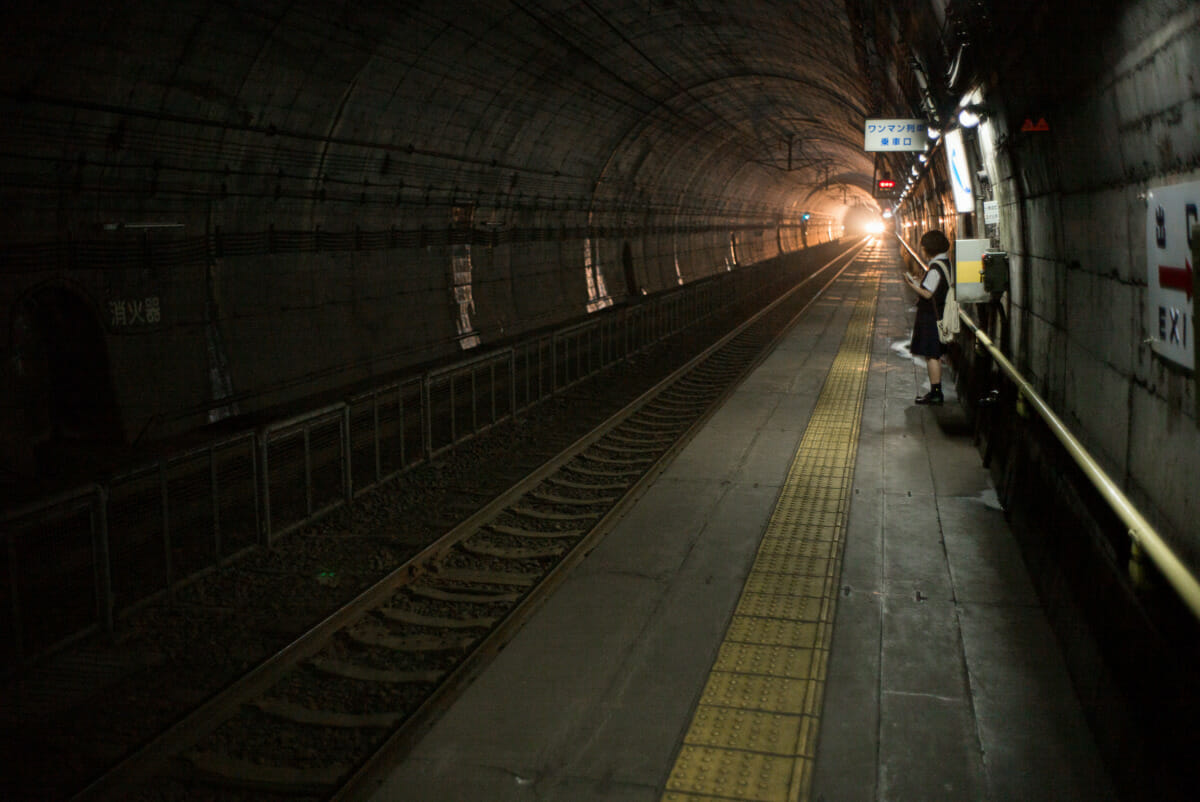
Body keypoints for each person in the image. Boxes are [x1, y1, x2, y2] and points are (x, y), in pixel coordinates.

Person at [903, 230, 952, 405]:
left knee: (932, 355)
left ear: (929, 248)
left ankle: (936, 393)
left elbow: (927, 293)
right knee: (934, 355)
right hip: (938, 313)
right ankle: (935, 391)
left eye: (923, 247)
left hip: (931, 317)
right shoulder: (945, 262)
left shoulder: (935, 267)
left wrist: (911, 284)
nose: (922, 250)